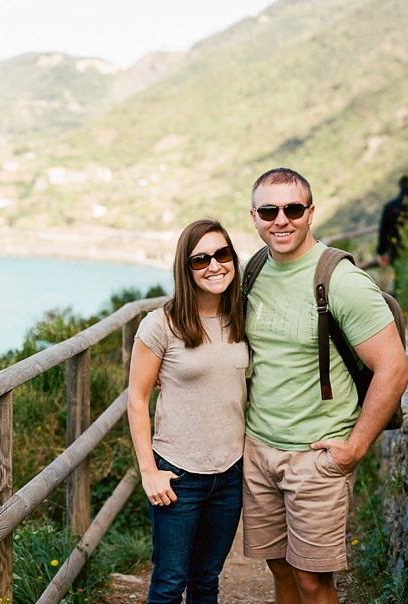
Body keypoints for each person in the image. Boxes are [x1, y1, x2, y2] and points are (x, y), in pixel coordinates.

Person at [242, 168, 408, 604]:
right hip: (259, 450)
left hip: (316, 456)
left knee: (313, 580)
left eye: (293, 209)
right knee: (278, 567)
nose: (281, 219)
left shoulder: (340, 280)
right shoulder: (254, 271)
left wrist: (353, 448)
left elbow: (394, 370)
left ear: (310, 213)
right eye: (269, 210)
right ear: (254, 216)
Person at [127, 218, 249, 604]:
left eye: (222, 254)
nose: (214, 266)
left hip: (230, 473)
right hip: (178, 474)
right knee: (168, 583)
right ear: (186, 267)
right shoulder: (159, 325)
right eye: (201, 259)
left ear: (233, 258)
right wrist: (149, 471)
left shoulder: (243, 316)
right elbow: (136, 399)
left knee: (207, 580)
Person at [377, 175, 408, 267]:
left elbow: (383, 231)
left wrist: (381, 252)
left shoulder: (389, 207)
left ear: (400, 188)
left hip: (396, 250)